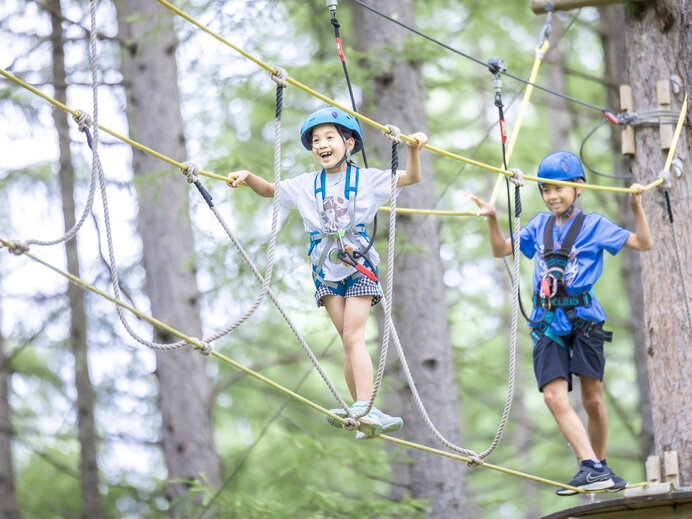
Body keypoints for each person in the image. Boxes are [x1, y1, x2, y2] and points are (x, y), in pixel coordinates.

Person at [227, 106, 428, 438]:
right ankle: (360, 410)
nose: (322, 144)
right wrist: (248, 176)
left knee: (353, 335)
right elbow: (269, 191)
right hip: (325, 268)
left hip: (359, 263)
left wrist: (411, 149)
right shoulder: (306, 184)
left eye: (329, 137)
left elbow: (411, 177)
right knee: (347, 341)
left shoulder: (366, 179)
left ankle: (366, 407)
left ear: (349, 144)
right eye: (316, 140)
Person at [469, 151, 652, 495]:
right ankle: (591, 467)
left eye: (559, 189)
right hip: (547, 321)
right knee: (554, 397)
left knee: (593, 401)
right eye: (546, 190)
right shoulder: (538, 225)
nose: (552, 196)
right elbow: (501, 250)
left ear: (578, 187)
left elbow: (643, 243)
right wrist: (493, 219)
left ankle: (598, 467)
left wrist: (637, 208)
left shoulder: (595, 225)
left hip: (584, 320)